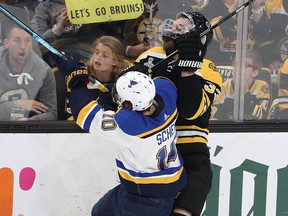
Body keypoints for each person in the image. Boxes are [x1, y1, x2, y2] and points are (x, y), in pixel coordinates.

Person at [57, 57, 187, 215]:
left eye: (119, 99)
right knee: (100, 212)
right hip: (140, 187)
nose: (116, 99)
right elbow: (155, 82)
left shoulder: (130, 129)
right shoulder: (166, 94)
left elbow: (83, 113)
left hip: (149, 201)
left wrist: (76, 79)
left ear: (128, 106)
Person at [135, 11, 222, 216]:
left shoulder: (208, 68)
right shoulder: (151, 56)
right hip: (150, 149)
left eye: (181, 29)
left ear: (197, 38)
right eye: (173, 25)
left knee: (193, 191)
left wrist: (188, 69)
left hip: (189, 151)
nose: (173, 30)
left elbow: (191, 111)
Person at [55, 35, 130, 120]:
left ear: (116, 61)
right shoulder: (77, 76)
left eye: (105, 56)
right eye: (96, 52)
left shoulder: (121, 85)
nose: (98, 58)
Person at [0, 19, 57, 121]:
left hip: (27, 132)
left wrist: (28, 123)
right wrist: (17, 104)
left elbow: (52, 114)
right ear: (6, 43)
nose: (23, 47)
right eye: (17, 40)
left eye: (27, 40)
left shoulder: (44, 71)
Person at [212, 50, 271, 120]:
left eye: (243, 65)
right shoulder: (222, 87)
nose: (236, 68)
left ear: (254, 72)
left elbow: (261, 116)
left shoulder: (262, 86)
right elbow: (213, 115)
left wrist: (245, 92)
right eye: (235, 64)